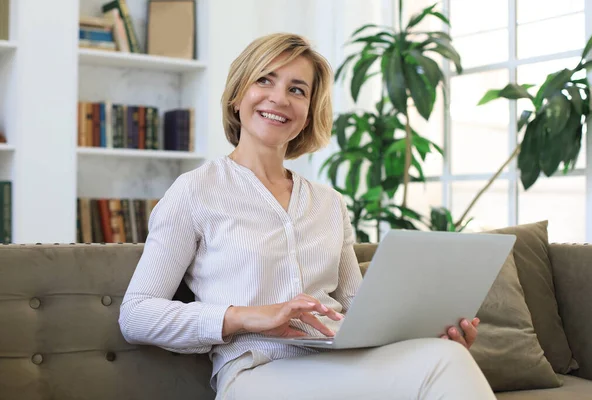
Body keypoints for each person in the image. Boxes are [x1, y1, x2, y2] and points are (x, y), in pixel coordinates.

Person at [118, 32, 495, 400]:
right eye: (265, 80)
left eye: (297, 90)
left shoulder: (329, 203)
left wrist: (430, 334)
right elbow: (136, 315)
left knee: (447, 354)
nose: (279, 98)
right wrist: (246, 316)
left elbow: (361, 309)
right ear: (237, 96)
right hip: (256, 373)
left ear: (308, 112)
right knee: (443, 365)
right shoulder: (195, 191)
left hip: (342, 365)